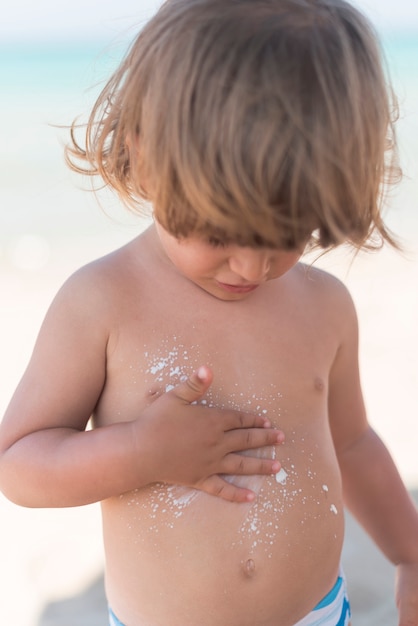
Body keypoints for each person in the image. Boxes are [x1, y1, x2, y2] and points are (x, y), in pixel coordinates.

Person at [0, 0, 417, 624]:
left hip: (319, 614)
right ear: (144, 157)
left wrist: (410, 554)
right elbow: (19, 464)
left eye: (285, 232)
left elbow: (353, 443)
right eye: (218, 232)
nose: (251, 269)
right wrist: (143, 451)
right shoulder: (104, 301)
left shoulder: (326, 307)